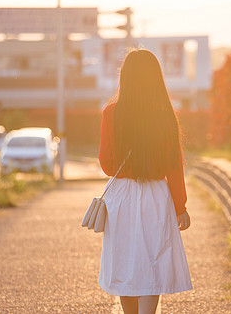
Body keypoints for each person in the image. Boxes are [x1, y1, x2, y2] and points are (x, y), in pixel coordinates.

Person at [98, 49, 193, 314]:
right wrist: (180, 207)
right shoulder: (164, 116)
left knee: (124, 262)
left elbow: (106, 163)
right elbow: (174, 166)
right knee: (153, 260)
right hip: (156, 195)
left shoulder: (111, 113)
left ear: (125, 77)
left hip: (121, 197)